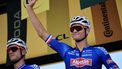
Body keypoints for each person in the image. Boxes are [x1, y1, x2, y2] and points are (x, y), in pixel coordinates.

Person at [26, 0, 120, 69]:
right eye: (72, 28)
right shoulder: (66, 50)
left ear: (86, 31)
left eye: (78, 28)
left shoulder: (99, 51)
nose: (74, 30)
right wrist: (29, 8)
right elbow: (42, 33)